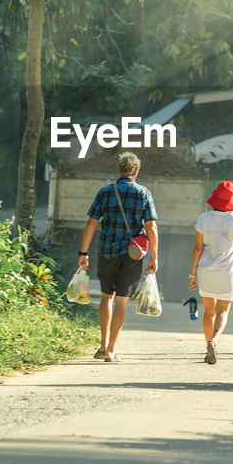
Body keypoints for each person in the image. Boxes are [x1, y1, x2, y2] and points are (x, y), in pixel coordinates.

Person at [77, 151, 158, 363]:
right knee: (122, 300)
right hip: (132, 254)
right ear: (136, 171)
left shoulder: (105, 192)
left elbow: (91, 223)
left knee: (106, 297)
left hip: (107, 251)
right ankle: (111, 349)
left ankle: (102, 345)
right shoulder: (143, 193)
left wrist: (83, 252)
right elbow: (151, 226)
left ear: (120, 170)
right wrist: (154, 257)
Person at [188, 180, 233, 365]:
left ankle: (208, 348)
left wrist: (192, 274)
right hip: (227, 273)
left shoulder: (203, 219)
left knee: (209, 311)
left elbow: (197, 248)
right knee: (223, 310)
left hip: (206, 271)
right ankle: (214, 341)